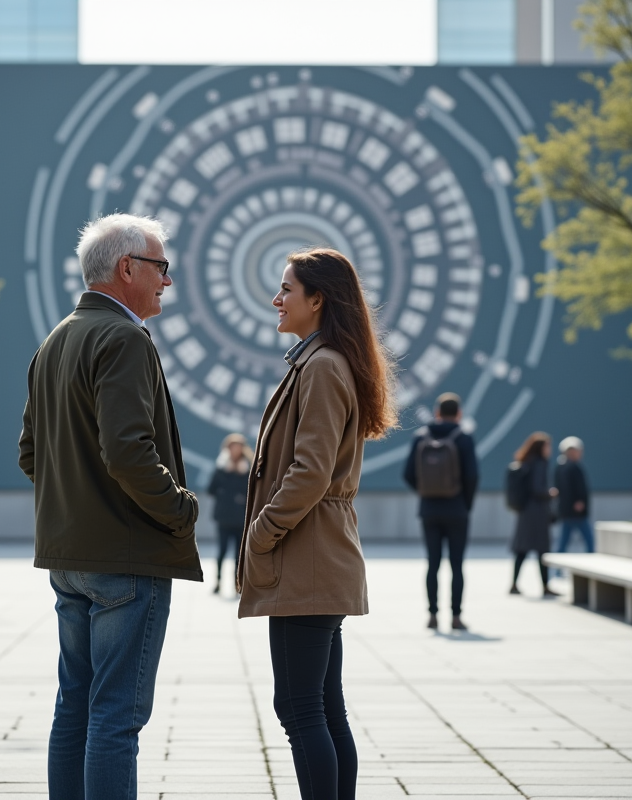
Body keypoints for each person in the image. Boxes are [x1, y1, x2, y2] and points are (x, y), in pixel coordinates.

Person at [18, 213, 201, 799]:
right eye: (161, 268)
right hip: (125, 557)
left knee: (76, 706)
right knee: (116, 716)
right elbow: (127, 451)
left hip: (69, 557)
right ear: (128, 269)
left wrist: (76, 501)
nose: (166, 281)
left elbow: (31, 454)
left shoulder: (56, 340)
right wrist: (179, 509)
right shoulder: (123, 338)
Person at [238, 247, 398, 800]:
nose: (276, 299)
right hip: (317, 559)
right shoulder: (320, 361)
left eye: (286, 289)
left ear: (318, 299)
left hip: (308, 562)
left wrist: (262, 533)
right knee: (323, 708)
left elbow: (309, 472)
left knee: (301, 708)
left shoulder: (324, 366)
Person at [403, 392, 479, 631]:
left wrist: (425, 492)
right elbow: (472, 476)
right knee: (457, 565)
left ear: (437, 413)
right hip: (457, 510)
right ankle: (456, 617)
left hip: (429, 510)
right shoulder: (463, 438)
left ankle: (432, 616)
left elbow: (407, 474)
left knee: (432, 564)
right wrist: (464, 503)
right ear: (459, 414)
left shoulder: (421, 437)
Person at [509, 432, 559, 597]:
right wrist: (550, 494)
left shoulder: (526, 462)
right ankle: (545, 586)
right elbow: (537, 488)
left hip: (526, 512)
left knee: (522, 550)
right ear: (541, 448)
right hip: (537, 513)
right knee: (542, 549)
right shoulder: (539, 464)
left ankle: (514, 584)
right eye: (548, 446)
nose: (550, 449)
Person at [207, 433, 251, 595]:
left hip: (241, 519)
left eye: (238, 447)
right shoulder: (221, 467)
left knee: (239, 555)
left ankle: (237, 584)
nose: (235, 450)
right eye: (232, 447)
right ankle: (218, 582)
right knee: (222, 551)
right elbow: (211, 489)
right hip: (224, 517)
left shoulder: (247, 468)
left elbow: (252, 492)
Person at [554, 437, 593, 553]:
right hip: (575, 512)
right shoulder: (569, 467)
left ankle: (557, 569)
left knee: (563, 541)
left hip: (568, 511)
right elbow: (567, 489)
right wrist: (578, 502)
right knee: (589, 540)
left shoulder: (562, 467)